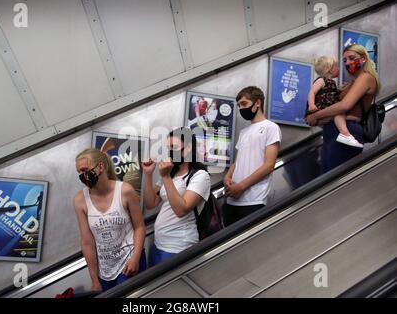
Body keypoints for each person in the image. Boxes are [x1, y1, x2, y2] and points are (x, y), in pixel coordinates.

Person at [73, 148, 146, 293]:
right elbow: (87, 242)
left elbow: (139, 227)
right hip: (105, 269)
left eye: (85, 170)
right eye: (79, 173)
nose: (83, 176)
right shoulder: (80, 200)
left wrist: (136, 258)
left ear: (100, 167)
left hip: (129, 259)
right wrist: (94, 279)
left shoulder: (125, 191)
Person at [306, 44, 381, 172]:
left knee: (334, 178)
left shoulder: (366, 77)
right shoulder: (349, 84)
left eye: (352, 58)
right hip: (331, 131)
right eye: (345, 60)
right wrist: (314, 116)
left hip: (349, 130)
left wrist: (316, 116)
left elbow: (345, 105)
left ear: (363, 58)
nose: (348, 63)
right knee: (326, 177)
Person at [142, 127, 211, 266]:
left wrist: (165, 176)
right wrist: (148, 175)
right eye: (169, 148)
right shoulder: (171, 173)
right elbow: (151, 203)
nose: (171, 152)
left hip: (179, 245)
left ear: (189, 148)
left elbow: (181, 209)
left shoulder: (200, 176)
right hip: (159, 243)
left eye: (174, 147)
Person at [223, 86, 282, 226]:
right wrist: (227, 177)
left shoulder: (271, 127)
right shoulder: (244, 132)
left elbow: (269, 165)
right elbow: (238, 162)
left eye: (244, 104)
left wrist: (241, 186)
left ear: (257, 103)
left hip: (254, 200)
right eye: (239, 106)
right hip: (232, 199)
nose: (241, 109)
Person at [307, 56, 362, 148]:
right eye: (336, 66)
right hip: (322, 107)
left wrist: (342, 89)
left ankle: (352, 122)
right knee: (339, 114)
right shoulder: (321, 80)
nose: (339, 68)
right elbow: (312, 92)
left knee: (340, 115)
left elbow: (333, 94)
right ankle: (345, 134)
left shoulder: (332, 82)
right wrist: (311, 104)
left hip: (328, 108)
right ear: (329, 69)